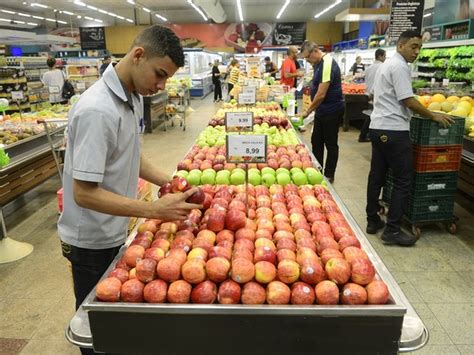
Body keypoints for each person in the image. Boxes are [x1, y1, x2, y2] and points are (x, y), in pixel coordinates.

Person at [58, 25, 201, 353]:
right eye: (160, 74)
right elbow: (83, 193)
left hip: (114, 228)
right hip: (91, 241)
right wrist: (154, 210)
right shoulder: (97, 110)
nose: (161, 85)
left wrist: (172, 183)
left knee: (120, 322)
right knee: (99, 330)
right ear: (138, 55)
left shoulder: (132, 97)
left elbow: (131, 157)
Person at [366, 30, 453, 246]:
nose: (417, 52)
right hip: (394, 130)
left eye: (419, 48)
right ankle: (392, 230)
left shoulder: (387, 64)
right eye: (413, 46)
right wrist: (433, 115)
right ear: (400, 46)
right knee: (403, 180)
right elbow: (408, 100)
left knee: (376, 175)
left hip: (378, 128)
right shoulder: (399, 66)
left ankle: (372, 220)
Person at [300, 41, 344, 184]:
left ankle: (329, 175)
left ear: (315, 51)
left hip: (331, 110)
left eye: (307, 57)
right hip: (322, 110)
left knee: (330, 143)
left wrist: (308, 110)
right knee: (316, 140)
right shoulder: (319, 64)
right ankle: (318, 170)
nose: (307, 60)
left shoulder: (327, 63)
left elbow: (321, 94)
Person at [358, 48, 386, 142]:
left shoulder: (369, 67)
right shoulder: (383, 67)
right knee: (373, 117)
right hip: (376, 95)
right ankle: (365, 136)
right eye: (384, 56)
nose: (385, 58)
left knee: (370, 116)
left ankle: (365, 135)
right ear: (380, 56)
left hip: (368, 94)